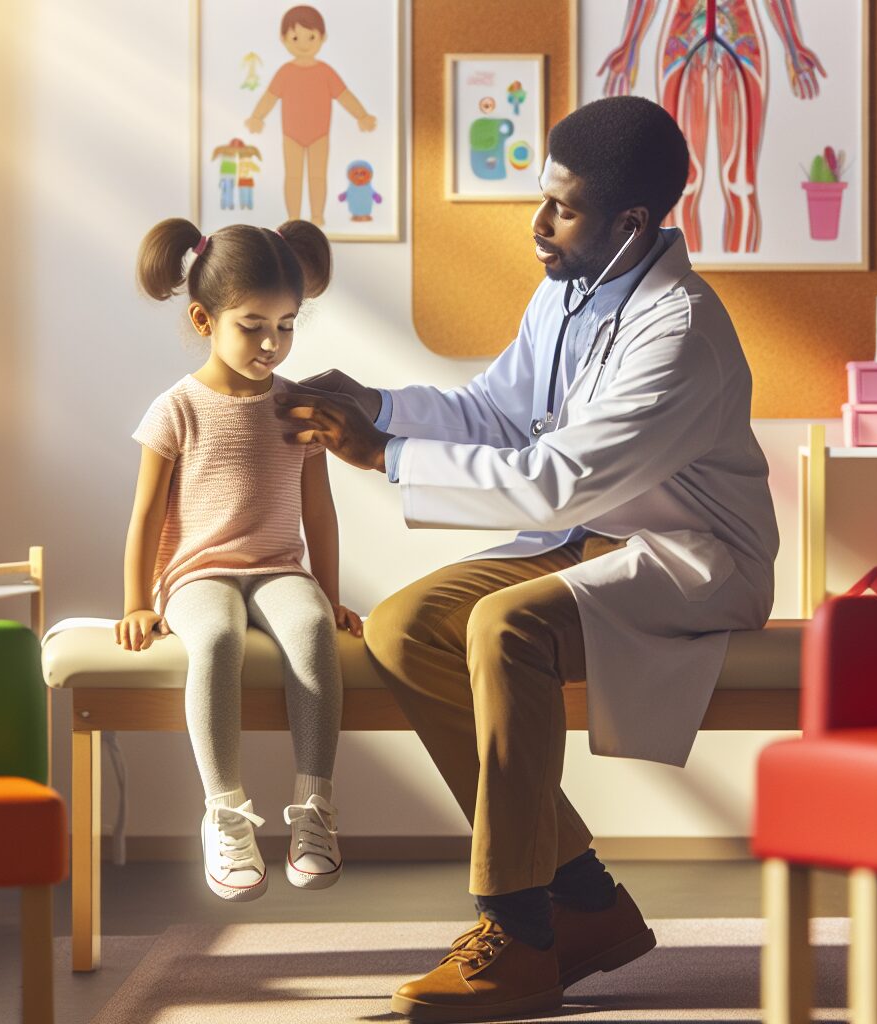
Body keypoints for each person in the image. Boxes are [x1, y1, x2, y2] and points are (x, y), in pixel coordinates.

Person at [274, 95, 780, 1022]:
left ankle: (517, 930)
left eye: (564, 208)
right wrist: (377, 403)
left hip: (689, 554)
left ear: (631, 223)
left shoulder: (682, 333)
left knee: (503, 624)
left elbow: (554, 482)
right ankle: (584, 899)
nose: (538, 226)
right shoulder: (568, 292)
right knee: (407, 624)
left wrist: (383, 454)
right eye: (542, 198)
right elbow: (498, 413)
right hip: (592, 537)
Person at [114, 217, 362, 903]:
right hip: (197, 574)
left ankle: (314, 811)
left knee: (312, 631)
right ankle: (224, 813)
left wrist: (331, 595)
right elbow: (145, 516)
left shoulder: (298, 408)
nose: (271, 343)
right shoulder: (177, 410)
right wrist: (137, 601)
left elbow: (320, 512)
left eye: (286, 326)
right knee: (217, 639)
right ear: (204, 318)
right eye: (253, 325)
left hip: (279, 567)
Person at [244, 5, 377, 226]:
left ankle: (317, 216)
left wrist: (361, 115)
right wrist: (257, 117)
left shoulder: (325, 72)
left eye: (311, 36)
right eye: (296, 38)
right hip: (291, 136)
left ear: (322, 37)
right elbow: (269, 97)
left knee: (317, 177)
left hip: (319, 135)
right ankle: (293, 218)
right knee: (293, 177)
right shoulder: (285, 72)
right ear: (283, 38)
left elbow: (344, 96)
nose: (304, 44)